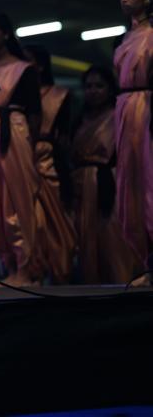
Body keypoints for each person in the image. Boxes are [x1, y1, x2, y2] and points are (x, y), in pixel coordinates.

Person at [0, 11, 48, 287]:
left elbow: (35, 113)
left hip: (12, 134)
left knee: (16, 198)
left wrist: (30, 144)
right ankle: (10, 265)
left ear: (6, 34)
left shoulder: (23, 69)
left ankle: (27, 266)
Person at [70, 65, 138, 284]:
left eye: (99, 86)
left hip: (110, 182)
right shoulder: (79, 119)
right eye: (88, 86)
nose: (93, 91)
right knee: (86, 240)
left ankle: (122, 284)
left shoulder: (118, 115)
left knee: (112, 237)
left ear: (110, 89)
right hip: (82, 185)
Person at [23, 44, 75, 283]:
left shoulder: (59, 95)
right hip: (23, 157)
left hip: (49, 161)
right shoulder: (17, 93)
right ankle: (32, 274)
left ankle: (60, 274)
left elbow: (64, 137)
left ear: (41, 65)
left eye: (28, 60)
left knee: (56, 223)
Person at [113, 0, 153, 285]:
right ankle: (147, 263)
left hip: (146, 109)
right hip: (126, 110)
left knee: (149, 182)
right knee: (132, 186)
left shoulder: (151, 35)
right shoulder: (124, 38)